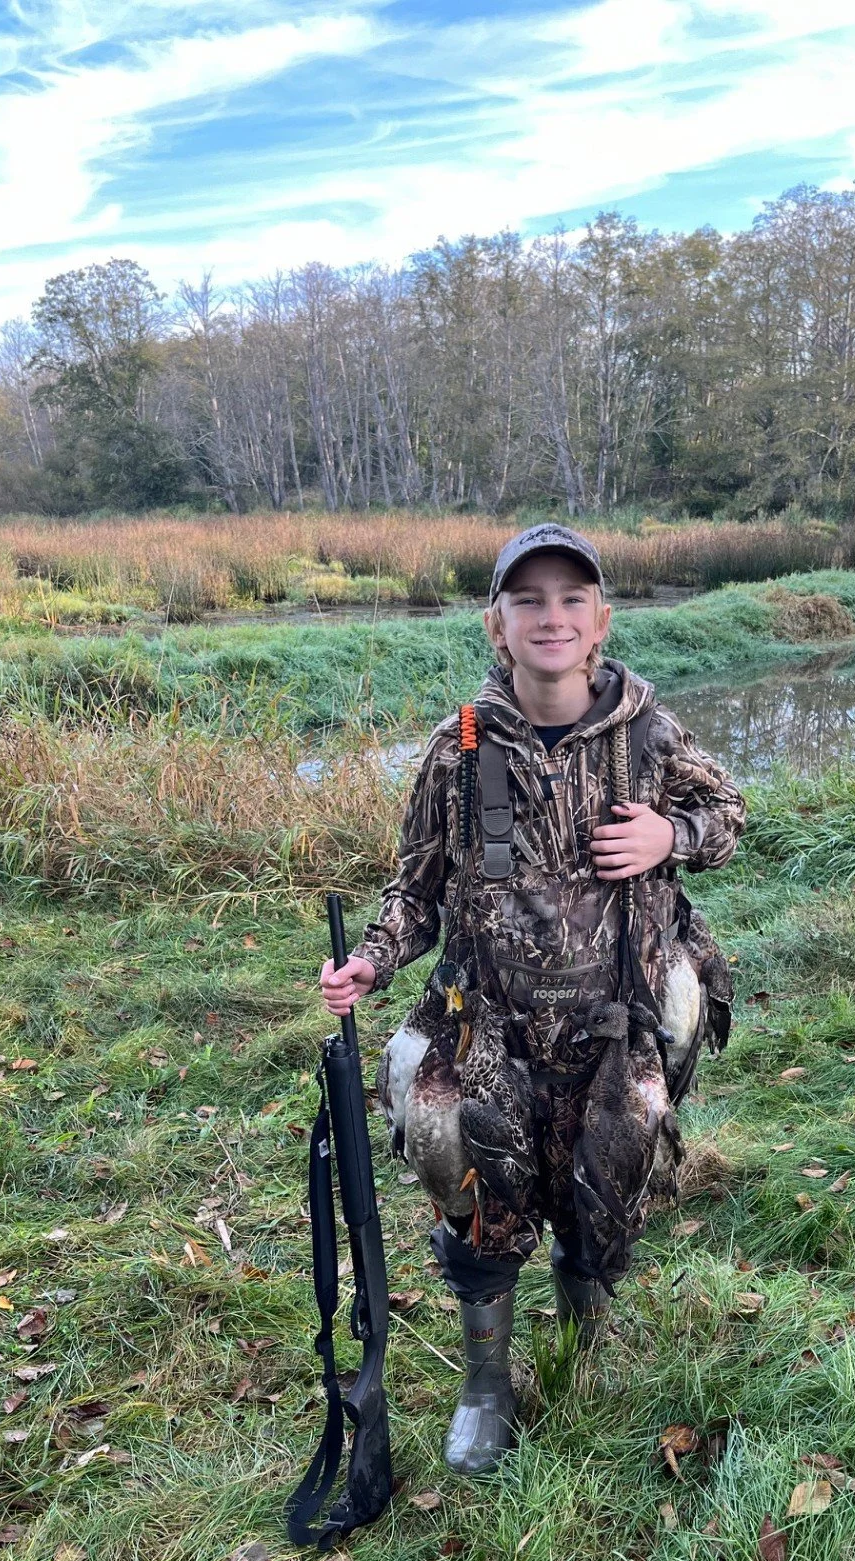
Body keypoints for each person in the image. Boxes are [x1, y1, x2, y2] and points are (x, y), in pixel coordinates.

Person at [319, 523, 746, 1475]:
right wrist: (373, 963)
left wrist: (668, 836)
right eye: (527, 601)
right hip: (490, 1021)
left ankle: (582, 1330)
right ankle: (486, 1383)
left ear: (599, 621)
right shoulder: (458, 748)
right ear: (495, 626)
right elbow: (416, 889)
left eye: (569, 599)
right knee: (462, 1161)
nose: (549, 616)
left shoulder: (650, 733)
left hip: (613, 1021)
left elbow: (730, 817)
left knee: (611, 1171)